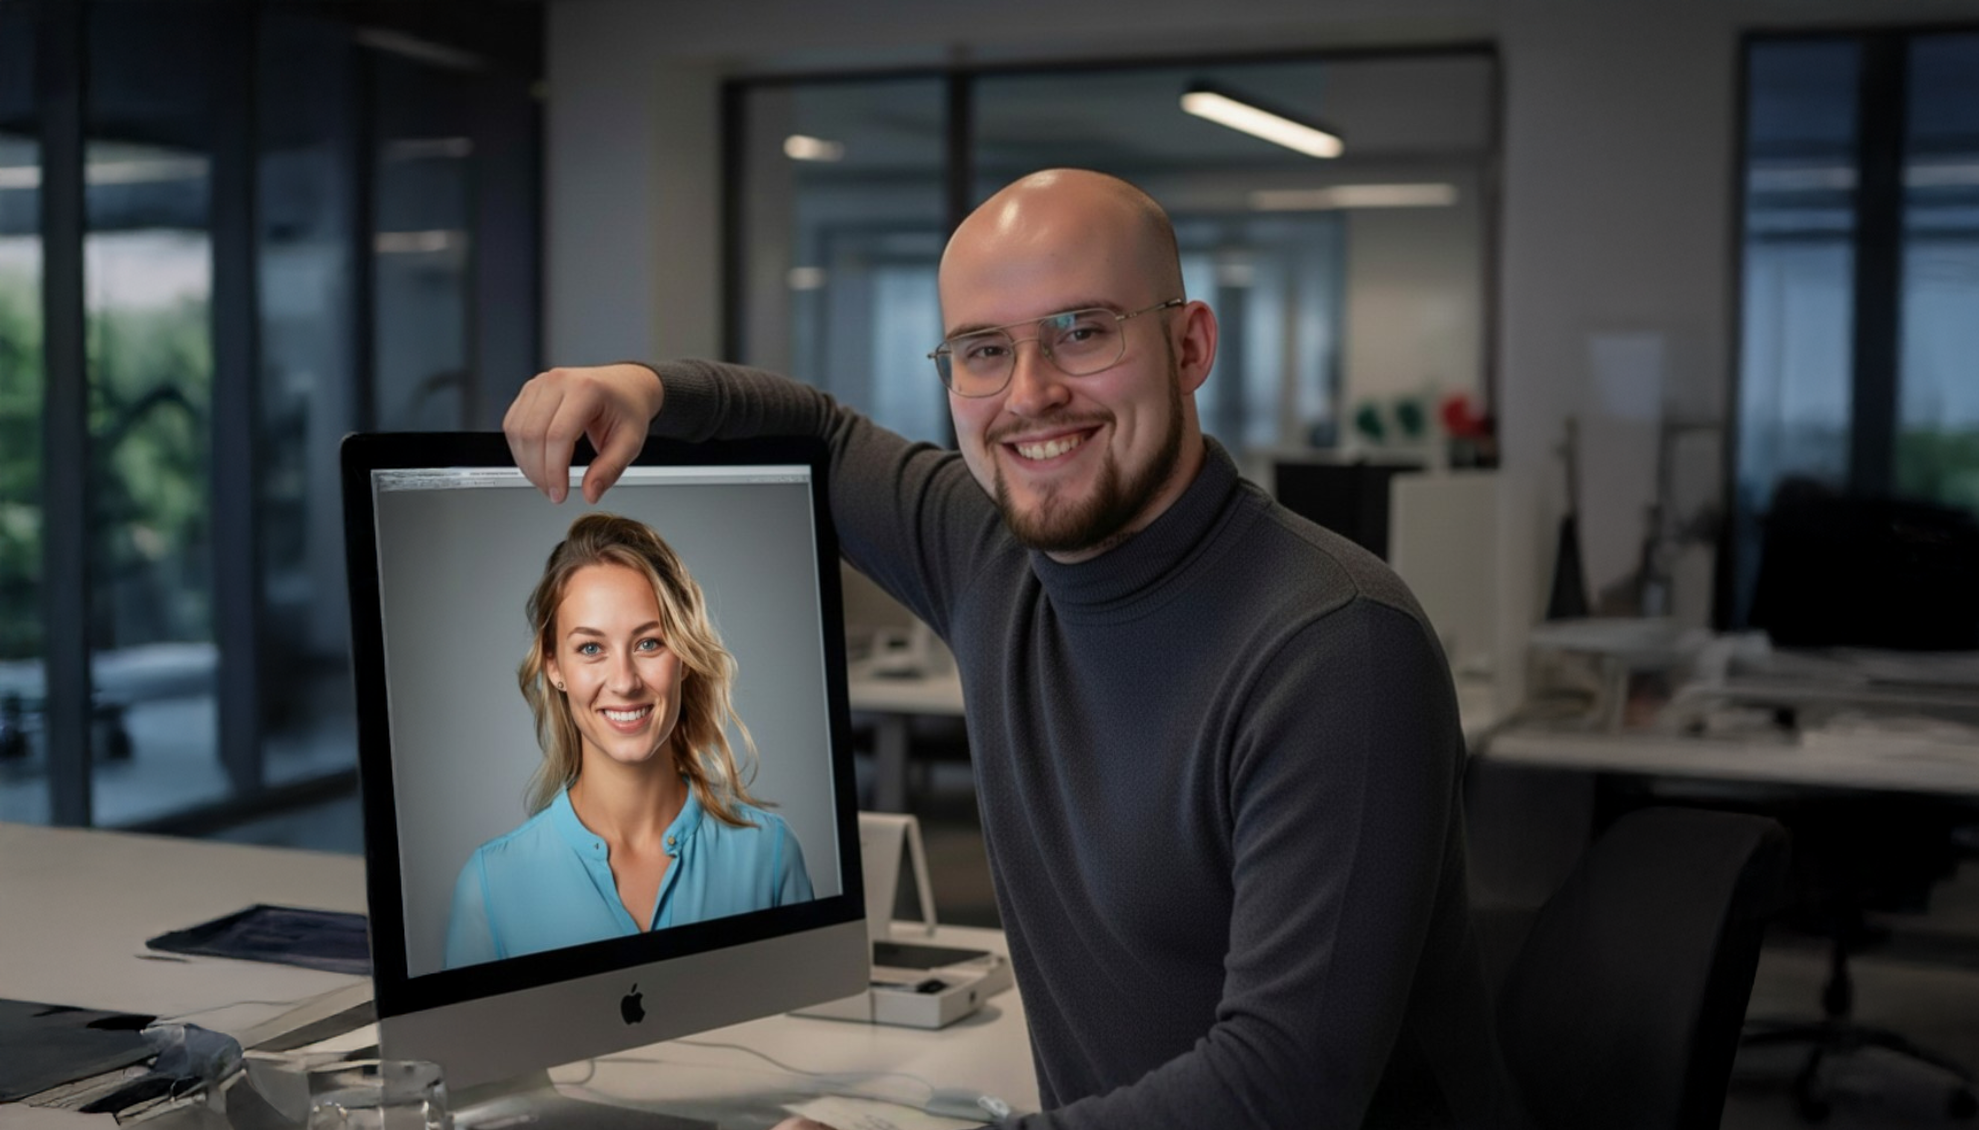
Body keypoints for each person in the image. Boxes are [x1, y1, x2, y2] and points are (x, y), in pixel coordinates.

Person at [504, 170, 1522, 1127]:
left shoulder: (1336, 646)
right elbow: (812, 427)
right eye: (983, 350)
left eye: (1082, 331)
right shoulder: (985, 548)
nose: (1030, 392)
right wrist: (639, 384)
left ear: (1191, 347)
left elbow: (1285, 1088)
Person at [444, 512, 813, 970]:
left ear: (685, 657)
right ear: (554, 666)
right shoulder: (489, 886)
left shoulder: (770, 856)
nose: (623, 682)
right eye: (591, 648)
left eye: (649, 643)